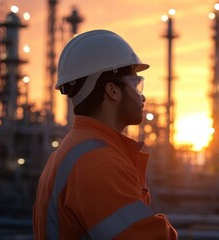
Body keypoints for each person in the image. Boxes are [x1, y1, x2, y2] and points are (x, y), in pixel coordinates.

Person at [33, 29, 178, 240]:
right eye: (136, 85)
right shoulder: (99, 162)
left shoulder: (74, 150)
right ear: (112, 91)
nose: (143, 96)